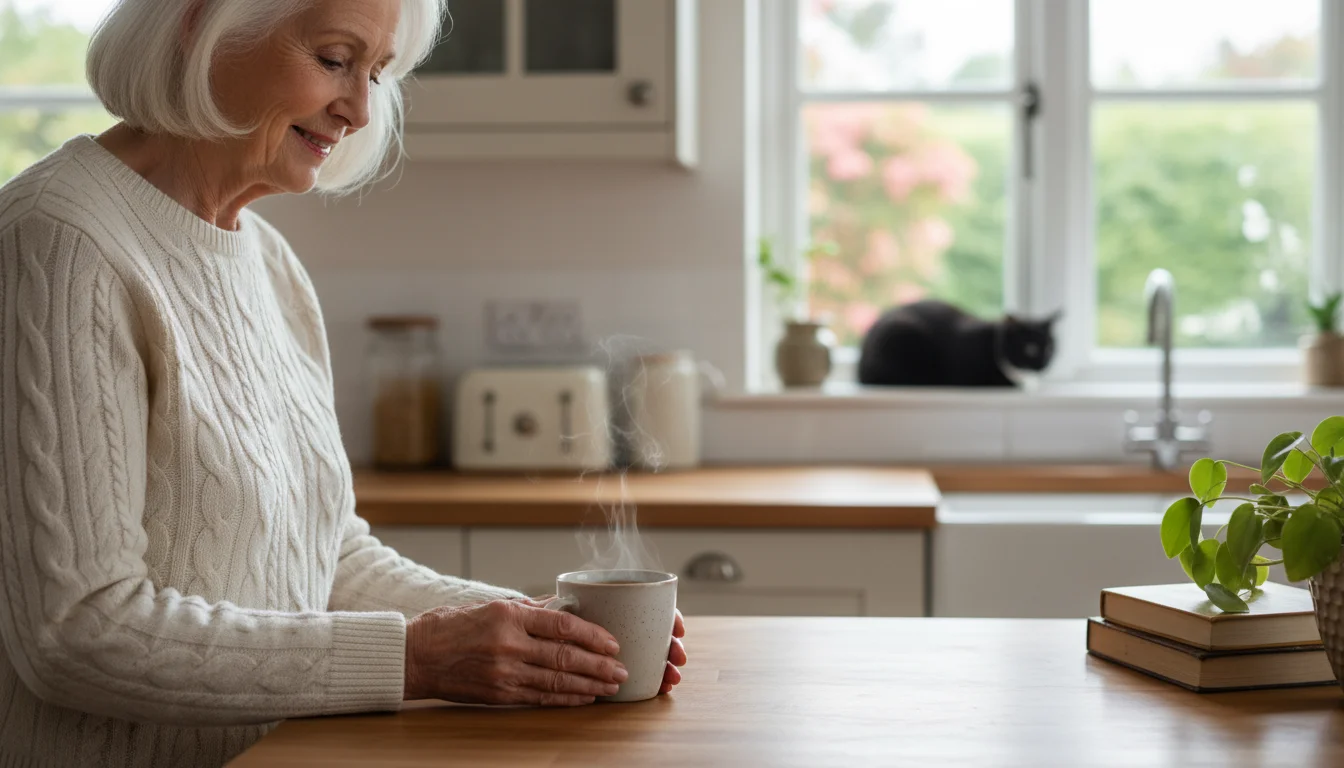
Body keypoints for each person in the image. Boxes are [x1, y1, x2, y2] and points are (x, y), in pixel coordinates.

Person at [0, 0, 686, 765]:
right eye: (334, 60)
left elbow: (326, 559)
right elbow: (76, 633)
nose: (360, 109)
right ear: (201, 24)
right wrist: (417, 658)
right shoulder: (59, 243)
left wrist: (536, 631)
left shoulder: (268, 263)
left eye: (378, 74)